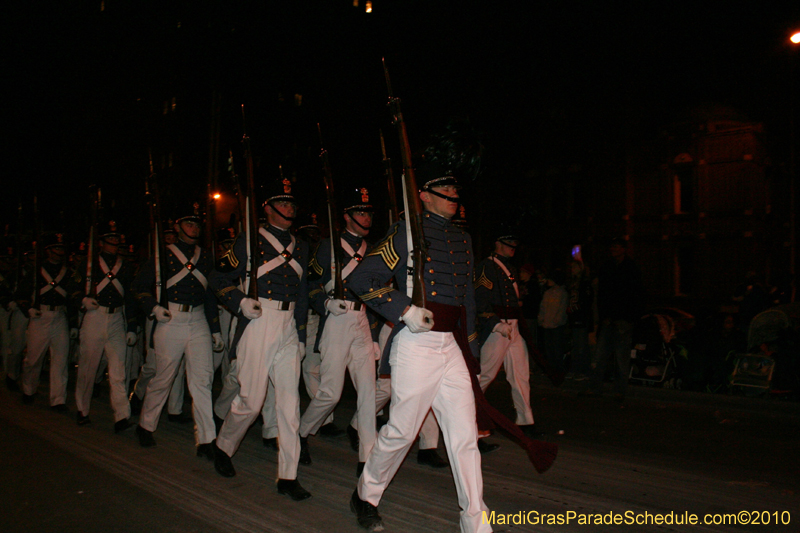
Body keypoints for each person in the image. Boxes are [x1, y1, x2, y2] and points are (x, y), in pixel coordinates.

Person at [348, 170, 491, 533]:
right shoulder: (407, 233)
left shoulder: (463, 239)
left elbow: (468, 301)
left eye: (454, 188)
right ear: (423, 196)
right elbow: (361, 279)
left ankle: (476, 523)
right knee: (401, 430)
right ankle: (365, 494)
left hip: (452, 345)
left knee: (464, 437)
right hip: (417, 345)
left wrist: (471, 352)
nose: (452, 194)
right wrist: (404, 310)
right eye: (444, 189)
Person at [209, 179, 312, 501]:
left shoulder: (302, 245)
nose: (289, 209)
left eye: (292, 205)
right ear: (266, 208)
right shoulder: (249, 241)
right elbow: (218, 278)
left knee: (289, 405)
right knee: (252, 400)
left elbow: (303, 292)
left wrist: (301, 334)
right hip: (258, 319)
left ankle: (288, 475)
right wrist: (239, 301)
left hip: (288, 324)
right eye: (282, 204)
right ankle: (223, 446)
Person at [131, 204, 223, 458]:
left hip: (198, 320)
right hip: (170, 318)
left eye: (197, 224)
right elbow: (139, 286)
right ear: (177, 227)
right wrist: (153, 307)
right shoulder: (163, 255)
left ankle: (206, 439)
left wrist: (215, 329)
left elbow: (210, 296)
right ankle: (145, 425)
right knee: (164, 377)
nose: (194, 228)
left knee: (202, 380)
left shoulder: (206, 257)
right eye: (188, 223)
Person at [299, 187, 378, 476]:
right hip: (336, 318)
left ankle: (367, 457)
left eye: (368, 212)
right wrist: (325, 303)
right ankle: (301, 433)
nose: (366, 217)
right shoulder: (327, 246)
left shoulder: (373, 250)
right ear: (346, 216)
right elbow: (310, 285)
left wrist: (375, 331)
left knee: (368, 391)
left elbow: (378, 293)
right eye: (360, 212)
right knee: (330, 393)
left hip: (362, 322)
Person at [475, 230, 542, 439]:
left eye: (514, 243)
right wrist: (495, 324)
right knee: (485, 376)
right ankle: (465, 414)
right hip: (499, 328)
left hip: (513, 326)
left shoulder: (509, 267)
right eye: (508, 243)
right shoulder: (487, 266)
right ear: (498, 243)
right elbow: (481, 299)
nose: (513, 246)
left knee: (521, 375)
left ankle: (525, 420)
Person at [74, 221, 137, 432]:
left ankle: (121, 416)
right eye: (110, 240)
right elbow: (73, 288)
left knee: (118, 370)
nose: (114, 244)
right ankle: (82, 410)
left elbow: (130, 295)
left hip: (117, 318)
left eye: (116, 240)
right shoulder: (88, 263)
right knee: (88, 368)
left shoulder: (125, 265)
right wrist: (82, 300)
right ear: (101, 243)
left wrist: (131, 326)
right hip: (94, 316)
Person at [19, 232, 80, 410]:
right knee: (33, 359)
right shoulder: (37, 270)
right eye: (56, 248)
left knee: (60, 360)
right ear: (48, 250)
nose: (59, 251)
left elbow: (71, 299)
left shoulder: (67, 272)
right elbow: (21, 293)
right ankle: (28, 389)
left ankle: (58, 399)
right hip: (40, 316)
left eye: (61, 248)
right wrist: (28, 309)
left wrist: (74, 323)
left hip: (59, 317)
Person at [582, 238, 643, 400]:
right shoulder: (608, 267)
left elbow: (634, 295)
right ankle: (596, 387)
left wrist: (629, 318)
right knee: (601, 356)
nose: (614, 250)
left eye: (617, 247)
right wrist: (604, 316)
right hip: (609, 319)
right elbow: (603, 294)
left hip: (623, 320)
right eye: (612, 247)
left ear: (623, 249)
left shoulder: (631, 268)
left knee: (621, 358)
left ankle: (619, 390)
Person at [538, 268, 569, 375]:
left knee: (557, 348)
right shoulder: (547, 293)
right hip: (546, 324)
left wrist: (558, 320)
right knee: (548, 348)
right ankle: (550, 368)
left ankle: (558, 368)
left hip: (556, 326)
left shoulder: (562, 293)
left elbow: (562, 308)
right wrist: (541, 319)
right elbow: (543, 307)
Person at [566, 259, 593, 380]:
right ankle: (575, 369)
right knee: (575, 345)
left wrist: (576, 308)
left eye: (575, 267)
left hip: (581, 318)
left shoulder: (585, 283)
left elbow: (587, 300)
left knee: (581, 345)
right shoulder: (573, 283)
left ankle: (583, 370)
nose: (573, 269)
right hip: (573, 317)